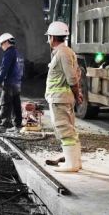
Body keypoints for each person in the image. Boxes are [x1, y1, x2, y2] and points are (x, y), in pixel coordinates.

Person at [43, 21, 84, 172]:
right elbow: (76, 73)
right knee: (70, 129)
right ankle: (75, 161)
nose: (48, 40)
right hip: (61, 97)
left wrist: (77, 93)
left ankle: (71, 164)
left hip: (60, 98)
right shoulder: (67, 52)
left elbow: (72, 78)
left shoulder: (62, 53)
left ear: (52, 37)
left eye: (49, 37)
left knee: (64, 129)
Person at [0, 32, 24, 133]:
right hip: (17, 83)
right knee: (16, 104)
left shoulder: (9, 53)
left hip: (9, 82)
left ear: (6, 42)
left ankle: (3, 125)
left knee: (5, 103)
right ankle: (17, 125)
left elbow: (4, 68)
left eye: (1, 44)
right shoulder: (18, 53)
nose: (1, 47)